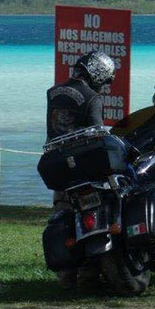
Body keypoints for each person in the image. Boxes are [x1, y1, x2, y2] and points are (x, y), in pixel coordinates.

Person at [45, 51, 116, 290]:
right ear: (97, 74)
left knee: (63, 218)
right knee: (93, 220)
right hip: (84, 167)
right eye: (104, 80)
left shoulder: (54, 93)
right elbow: (97, 135)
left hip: (58, 167)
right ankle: (88, 275)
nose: (104, 86)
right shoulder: (92, 98)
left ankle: (66, 276)